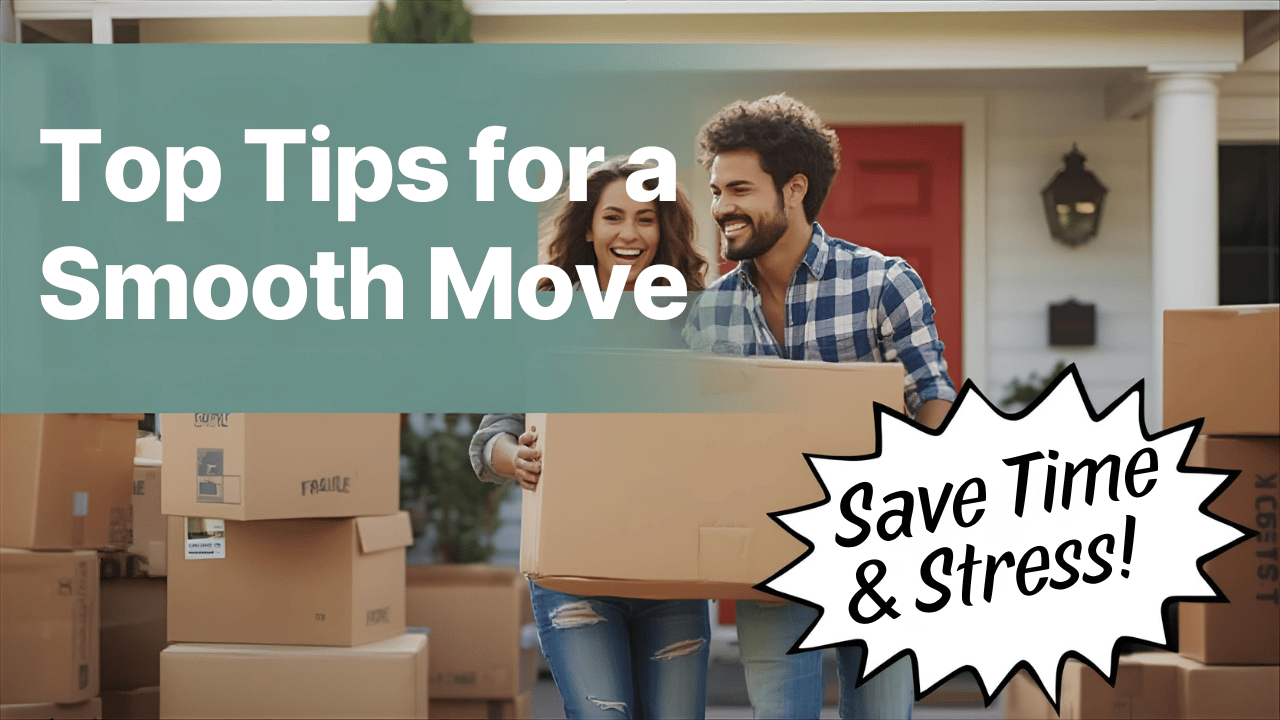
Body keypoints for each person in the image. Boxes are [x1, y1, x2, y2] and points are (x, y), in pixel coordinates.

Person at [684, 94, 958, 719]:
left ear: (794, 189)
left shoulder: (882, 282)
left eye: (740, 189)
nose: (721, 207)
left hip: (881, 551)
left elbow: (934, 398)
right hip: (769, 553)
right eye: (717, 190)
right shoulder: (712, 310)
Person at [470, 157, 711, 720]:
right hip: (573, 567)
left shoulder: (696, 320)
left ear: (663, 230)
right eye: (613, 217)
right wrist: (516, 458)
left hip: (670, 568)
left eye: (646, 219)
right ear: (587, 228)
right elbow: (492, 437)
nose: (630, 233)